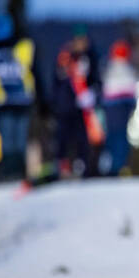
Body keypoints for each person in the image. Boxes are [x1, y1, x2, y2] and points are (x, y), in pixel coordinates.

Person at [0, 14, 37, 180]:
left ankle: (19, 173)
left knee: (19, 141)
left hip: (22, 101)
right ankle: (9, 174)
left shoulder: (23, 48)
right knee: (8, 142)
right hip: (3, 103)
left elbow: (33, 72)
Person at [52, 24, 101, 177]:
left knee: (83, 138)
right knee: (63, 137)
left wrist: (92, 93)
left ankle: (83, 166)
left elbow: (96, 79)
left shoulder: (91, 57)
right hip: (65, 105)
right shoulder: (65, 57)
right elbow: (57, 80)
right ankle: (63, 166)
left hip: (83, 107)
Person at [101, 40, 137, 176]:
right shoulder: (128, 69)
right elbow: (132, 91)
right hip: (122, 107)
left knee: (112, 136)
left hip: (111, 108)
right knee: (121, 136)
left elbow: (105, 91)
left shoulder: (109, 69)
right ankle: (120, 165)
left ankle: (112, 165)